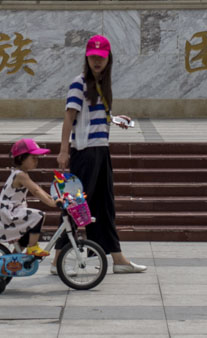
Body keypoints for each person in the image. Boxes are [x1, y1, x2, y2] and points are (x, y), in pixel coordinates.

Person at [56, 34, 146, 274]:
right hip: (84, 153)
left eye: (101, 57)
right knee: (76, 204)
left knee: (104, 205)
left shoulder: (101, 85)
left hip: (101, 152)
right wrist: (64, 150)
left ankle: (117, 258)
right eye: (93, 57)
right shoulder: (80, 83)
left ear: (108, 60)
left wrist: (115, 119)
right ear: (87, 57)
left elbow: (96, 116)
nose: (97, 61)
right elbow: (69, 117)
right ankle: (57, 260)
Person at [0, 138, 61, 258]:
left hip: (10, 211)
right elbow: (36, 191)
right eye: (33, 158)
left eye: (37, 158)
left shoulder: (21, 173)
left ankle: (11, 261)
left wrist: (53, 198)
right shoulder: (21, 175)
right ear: (21, 159)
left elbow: (37, 189)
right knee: (39, 215)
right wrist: (52, 203)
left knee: (27, 234)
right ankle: (33, 248)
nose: (36, 161)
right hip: (8, 214)